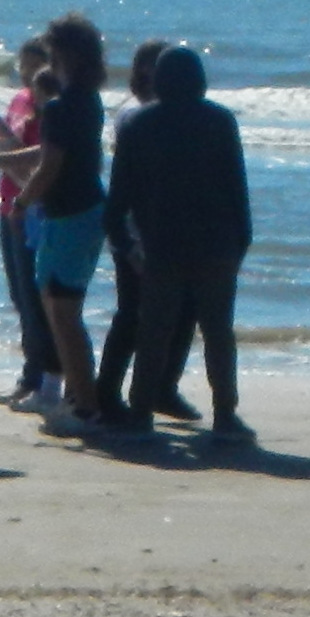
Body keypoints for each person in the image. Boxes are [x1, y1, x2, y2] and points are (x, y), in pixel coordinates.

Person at [110, 43, 254, 448]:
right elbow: (236, 192)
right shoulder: (221, 122)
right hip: (217, 245)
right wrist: (242, 243)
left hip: (162, 246)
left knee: (155, 330)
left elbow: (117, 200)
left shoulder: (138, 125)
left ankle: (140, 413)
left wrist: (127, 247)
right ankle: (225, 414)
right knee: (218, 333)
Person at [90, 36, 201, 425]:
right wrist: (129, 239)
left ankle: (163, 388)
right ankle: (107, 392)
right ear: (141, 71)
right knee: (133, 314)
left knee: (185, 310)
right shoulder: (134, 115)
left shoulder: (178, 114)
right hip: (137, 229)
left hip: (175, 232)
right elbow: (130, 183)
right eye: (154, 65)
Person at [23, 13, 119, 434]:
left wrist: (23, 199)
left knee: (63, 313)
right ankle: (80, 397)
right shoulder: (88, 98)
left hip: (70, 214)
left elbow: (51, 164)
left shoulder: (62, 106)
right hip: (84, 210)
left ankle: (86, 405)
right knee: (64, 310)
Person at [0, 38, 59, 406]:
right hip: (8, 201)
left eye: (34, 66)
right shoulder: (20, 99)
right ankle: (31, 373)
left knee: (35, 296)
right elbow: (9, 148)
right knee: (20, 296)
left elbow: (31, 163)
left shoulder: (49, 108)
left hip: (30, 204)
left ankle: (39, 377)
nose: (27, 73)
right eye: (23, 65)